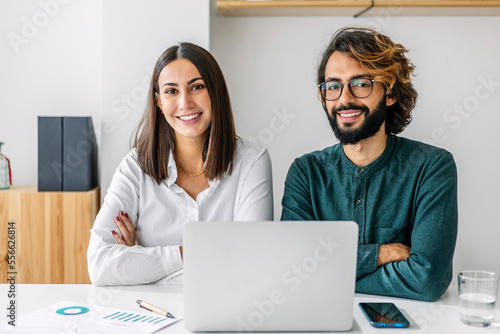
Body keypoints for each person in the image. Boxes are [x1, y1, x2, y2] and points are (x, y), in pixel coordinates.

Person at [281, 27, 458, 301]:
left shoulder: (432, 167)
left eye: (361, 83)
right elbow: (290, 269)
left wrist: (327, 272)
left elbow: (428, 279)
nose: (344, 98)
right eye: (333, 86)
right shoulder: (306, 173)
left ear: (390, 94)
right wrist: (382, 254)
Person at [88, 42, 273, 286]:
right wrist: (191, 252)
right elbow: (100, 266)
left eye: (196, 87)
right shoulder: (136, 166)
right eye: (171, 91)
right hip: (148, 317)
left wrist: (140, 261)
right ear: (159, 102)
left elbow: (252, 264)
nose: (185, 103)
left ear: (215, 92)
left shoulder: (251, 163)